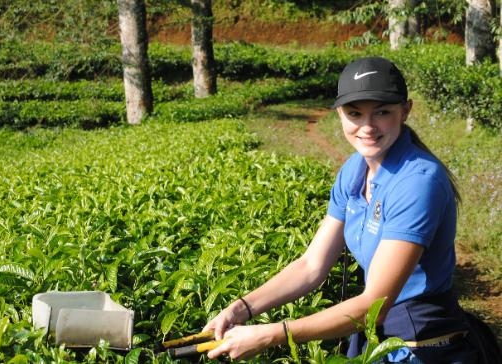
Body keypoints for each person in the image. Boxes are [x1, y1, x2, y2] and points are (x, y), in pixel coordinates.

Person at [202, 57, 478, 363]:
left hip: (423, 347)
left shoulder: (417, 183)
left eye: (382, 113)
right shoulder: (354, 170)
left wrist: (270, 334)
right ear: (339, 115)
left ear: (406, 110)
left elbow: (374, 304)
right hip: (379, 339)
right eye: (354, 114)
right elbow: (311, 266)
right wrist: (241, 308)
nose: (367, 127)